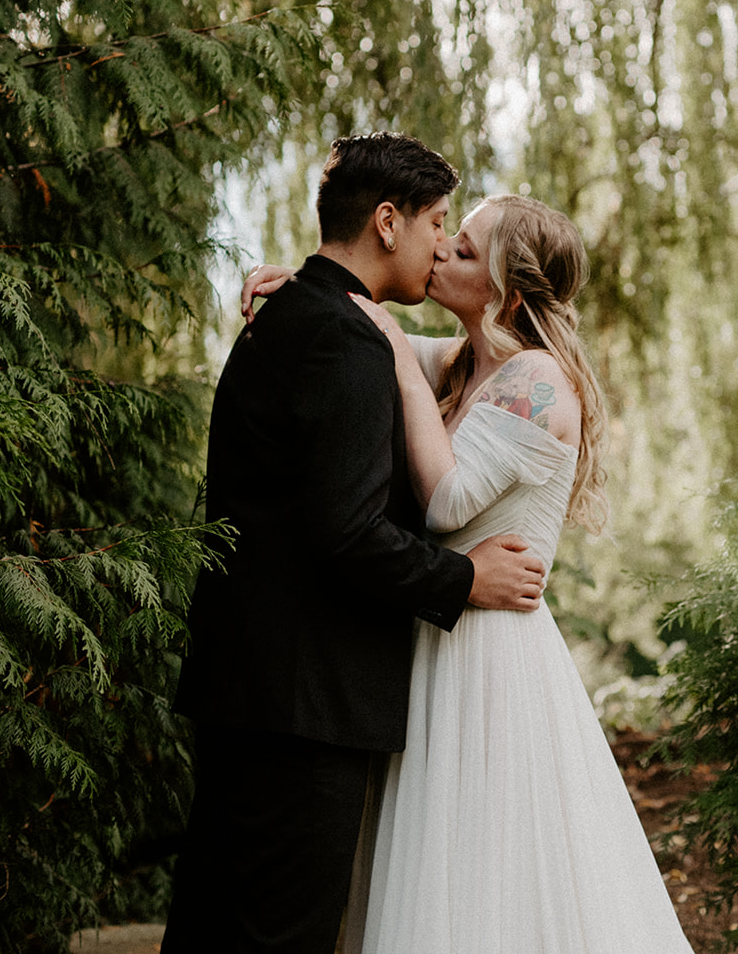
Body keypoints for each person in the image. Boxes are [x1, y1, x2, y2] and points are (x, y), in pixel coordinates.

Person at [243, 192, 694, 954]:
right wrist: (296, 285)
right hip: (431, 641)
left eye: (466, 248)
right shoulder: (460, 363)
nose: (442, 249)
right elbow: (364, 332)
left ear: (507, 291)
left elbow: (448, 499)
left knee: (485, 871)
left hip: (491, 665)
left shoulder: (538, 380)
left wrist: (394, 353)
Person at [162, 135, 546, 954]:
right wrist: (462, 577)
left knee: (213, 922)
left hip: (253, 688)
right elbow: (345, 531)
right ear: (385, 222)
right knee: (278, 933)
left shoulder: (296, 317)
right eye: (438, 221)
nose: (442, 243)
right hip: (304, 706)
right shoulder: (343, 340)